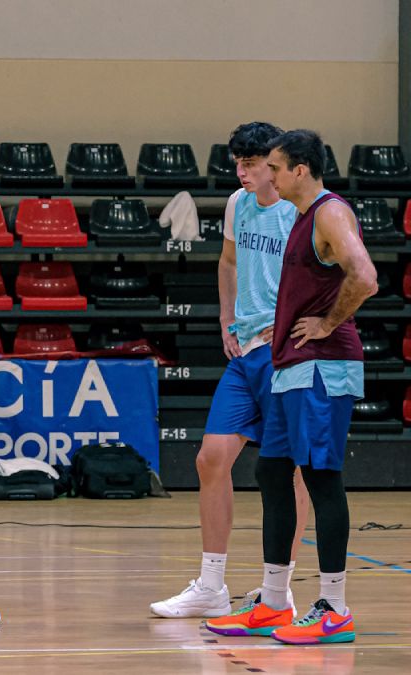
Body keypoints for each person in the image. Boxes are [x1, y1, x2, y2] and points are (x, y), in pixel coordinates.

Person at [207, 129, 376, 644]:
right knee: (272, 470)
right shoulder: (302, 217)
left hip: (322, 364)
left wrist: (327, 322)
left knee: (321, 477)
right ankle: (274, 601)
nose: (268, 176)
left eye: (275, 167)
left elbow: (365, 276)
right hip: (289, 363)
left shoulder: (329, 211)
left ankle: (334, 607)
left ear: (299, 169)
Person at [151, 122, 311, 619]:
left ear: (275, 164)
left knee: (292, 474)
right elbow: (227, 260)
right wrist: (227, 316)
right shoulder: (238, 205)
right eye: (237, 163)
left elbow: (320, 278)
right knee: (210, 459)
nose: (241, 172)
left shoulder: (300, 212)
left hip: (286, 352)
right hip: (245, 353)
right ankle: (212, 585)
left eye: (251, 163)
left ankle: (279, 589)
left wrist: (284, 329)